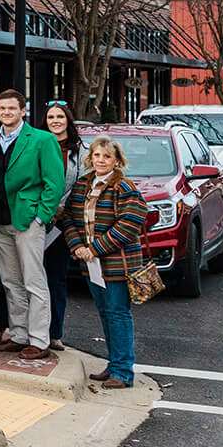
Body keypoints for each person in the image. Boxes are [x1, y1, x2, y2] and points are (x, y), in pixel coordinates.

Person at [62, 136, 148, 390]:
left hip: (117, 265)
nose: (101, 160)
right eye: (97, 156)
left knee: (118, 314)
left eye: (107, 156)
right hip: (91, 265)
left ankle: (123, 371)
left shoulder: (124, 186)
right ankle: (113, 365)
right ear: (91, 158)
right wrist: (77, 246)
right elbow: (69, 217)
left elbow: (130, 223)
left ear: (117, 160)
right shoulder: (83, 185)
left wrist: (95, 248)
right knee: (105, 314)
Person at [0, 89, 66, 360]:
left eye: (11, 109)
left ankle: (40, 340)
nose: (6, 113)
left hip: (27, 220)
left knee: (34, 281)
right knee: (10, 281)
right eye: (2, 108)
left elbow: (54, 183)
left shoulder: (42, 140)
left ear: (23, 111)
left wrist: (41, 216)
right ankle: (19, 335)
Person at [42, 101, 83, 351]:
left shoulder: (81, 151)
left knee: (55, 280)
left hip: (63, 225)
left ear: (68, 119)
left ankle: (54, 332)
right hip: (37, 220)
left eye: (59, 116)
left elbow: (82, 184)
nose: (55, 121)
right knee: (32, 280)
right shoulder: (38, 144)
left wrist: (60, 209)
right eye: (50, 117)